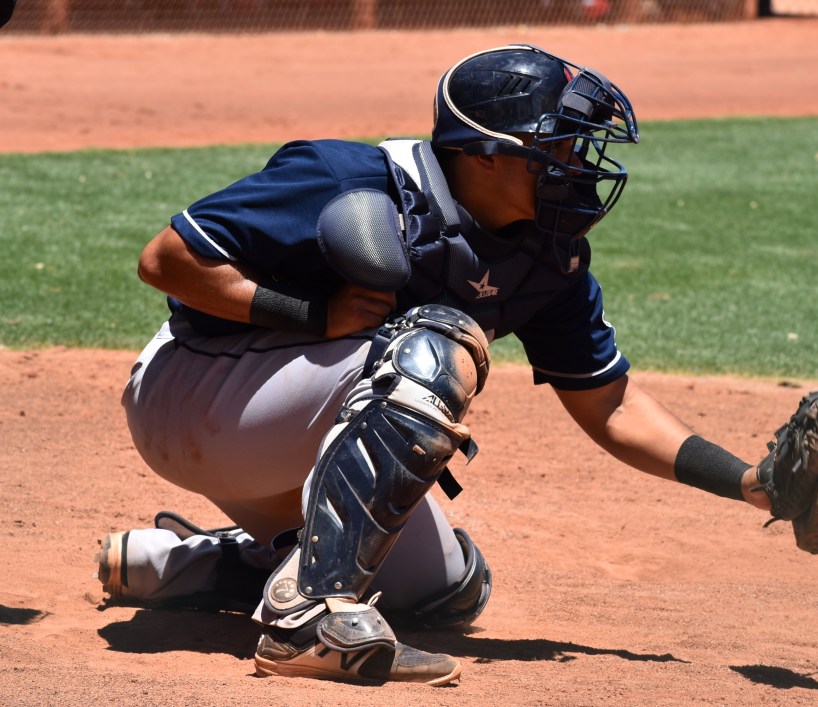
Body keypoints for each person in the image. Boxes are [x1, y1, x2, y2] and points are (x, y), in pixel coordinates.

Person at [98, 44, 775, 687]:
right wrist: (311, 315)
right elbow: (165, 260)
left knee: (446, 588)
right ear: (484, 156)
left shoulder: (546, 256)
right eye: (556, 146)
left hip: (282, 428)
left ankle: (203, 565)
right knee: (439, 344)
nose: (578, 163)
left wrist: (747, 481)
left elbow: (613, 406)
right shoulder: (349, 179)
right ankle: (305, 619)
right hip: (190, 391)